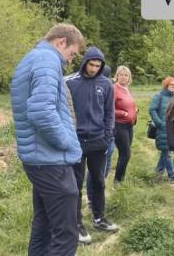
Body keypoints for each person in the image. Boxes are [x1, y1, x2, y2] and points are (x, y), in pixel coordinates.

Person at [10, 23, 84, 256]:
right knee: (66, 234)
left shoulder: (33, 58)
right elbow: (41, 111)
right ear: (61, 42)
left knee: (44, 227)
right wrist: (67, 142)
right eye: (72, 54)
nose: (71, 61)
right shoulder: (47, 60)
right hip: (51, 159)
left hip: (40, 158)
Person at [66, 47, 119, 244]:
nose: (94, 69)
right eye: (91, 64)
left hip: (98, 142)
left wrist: (107, 137)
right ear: (85, 62)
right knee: (76, 185)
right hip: (77, 142)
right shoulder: (70, 83)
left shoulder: (106, 84)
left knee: (98, 181)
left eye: (98, 66)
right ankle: (77, 224)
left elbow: (109, 113)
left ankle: (99, 218)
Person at [86, 65, 116, 206]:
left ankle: (97, 194)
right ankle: (92, 197)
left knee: (106, 163)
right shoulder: (94, 89)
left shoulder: (107, 87)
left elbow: (110, 113)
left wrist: (108, 136)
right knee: (95, 171)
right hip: (97, 135)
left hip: (107, 135)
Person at [149, 77, 174, 182]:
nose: (173, 87)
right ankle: (172, 176)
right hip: (163, 128)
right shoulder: (159, 96)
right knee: (167, 152)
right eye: (171, 85)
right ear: (166, 85)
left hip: (173, 129)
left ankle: (158, 172)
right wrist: (160, 123)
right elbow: (152, 110)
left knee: (166, 152)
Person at [113, 65, 138, 186]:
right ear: (117, 76)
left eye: (126, 75)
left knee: (124, 154)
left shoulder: (127, 89)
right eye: (121, 75)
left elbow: (128, 104)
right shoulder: (114, 89)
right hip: (119, 125)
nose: (124, 77)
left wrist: (135, 109)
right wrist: (122, 113)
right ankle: (117, 181)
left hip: (129, 125)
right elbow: (108, 109)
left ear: (129, 78)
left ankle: (121, 178)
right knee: (126, 154)